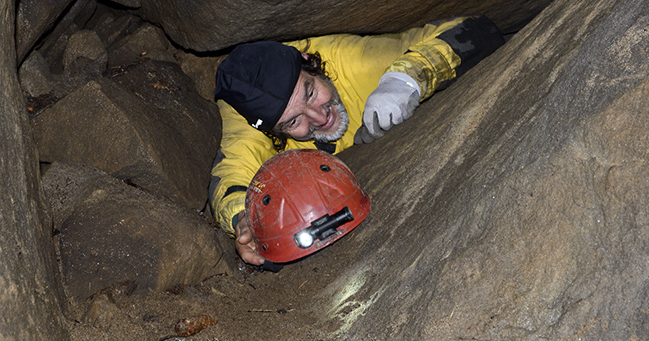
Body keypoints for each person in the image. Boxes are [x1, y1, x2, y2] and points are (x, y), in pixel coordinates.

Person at [210, 15, 505, 266]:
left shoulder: (352, 61)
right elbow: (232, 177)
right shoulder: (249, 119)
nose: (318, 117)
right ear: (273, 130)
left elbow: (475, 28)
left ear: (309, 63)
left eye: (311, 93)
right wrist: (243, 220)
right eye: (293, 122)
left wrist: (406, 80)